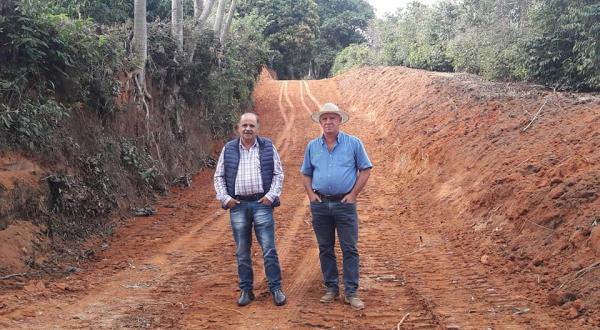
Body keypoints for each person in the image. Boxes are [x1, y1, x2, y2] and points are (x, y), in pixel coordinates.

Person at [300, 103, 372, 311]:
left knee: (349, 248)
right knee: (325, 247)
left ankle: (351, 292)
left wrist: (353, 194)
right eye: (325, 118)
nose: (328, 122)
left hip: (344, 204)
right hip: (320, 204)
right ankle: (331, 288)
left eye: (333, 118)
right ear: (320, 122)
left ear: (340, 121)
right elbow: (306, 173)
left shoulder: (353, 143)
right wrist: (311, 195)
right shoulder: (313, 146)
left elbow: (365, 170)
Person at [213, 112, 287, 307]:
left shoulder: (267, 146)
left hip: (261, 204)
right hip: (237, 206)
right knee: (242, 251)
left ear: (257, 128)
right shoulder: (228, 149)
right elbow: (218, 176)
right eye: (244, 125)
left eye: (251, 126)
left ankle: (276, 288)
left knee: (269, 248)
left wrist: (271, 196)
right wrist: (225, 198)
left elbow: (278, 174)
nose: (247, 129)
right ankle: (246, 290)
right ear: (238, 128)